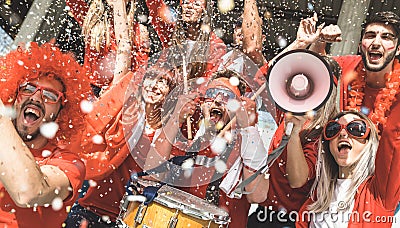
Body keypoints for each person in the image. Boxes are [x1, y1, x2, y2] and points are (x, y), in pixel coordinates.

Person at [144, 70, 268, 227]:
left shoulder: (247, 144)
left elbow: (257, 195)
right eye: (212, 93)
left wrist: (249, 127)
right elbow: (152, 173)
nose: (216, 100)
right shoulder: (189, 137)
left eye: (226, 96)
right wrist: (176, 117)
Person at [0, 42, 89, 227]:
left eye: (49, 95)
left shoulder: (69, 163)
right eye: (28, 88)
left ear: (61, 114)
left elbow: (27, 192)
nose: (36, 97)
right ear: (15, 96)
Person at [246, 55, 342, 227]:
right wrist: (299, 43)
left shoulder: (326, 133)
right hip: (263, 212)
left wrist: (295, 134)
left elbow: (297, 180)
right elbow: (260, 80)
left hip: (288, 220)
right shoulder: (290, 113)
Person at [297, 110, 399, 227]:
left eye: (356, 128)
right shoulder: (317, 196)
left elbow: (394, 134)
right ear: (328, 146)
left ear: (369, 142)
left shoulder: (379, 192)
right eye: (333, 129)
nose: (343, 134)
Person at [65, 0, 149, 94]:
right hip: (86, 88)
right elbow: (72, 2)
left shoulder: (139, 31)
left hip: (113, 93)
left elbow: (138, 73)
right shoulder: (93, 18)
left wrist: (110, 90)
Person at [146, 0, 226, 79]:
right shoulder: (171, 32)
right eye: (186, 2)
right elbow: (155, 7)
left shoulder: (215, 45)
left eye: (196, 4)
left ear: (204, 12)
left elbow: (208, 80)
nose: (189, 6)